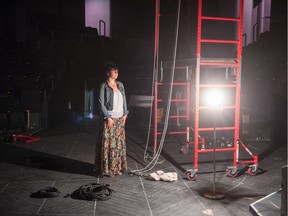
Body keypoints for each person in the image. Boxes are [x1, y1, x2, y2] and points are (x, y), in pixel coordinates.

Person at [95, 62, 129, 177]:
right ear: (108, 73)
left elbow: (124, 99)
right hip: (109, 118)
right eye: (114, 71)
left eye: (117, 71)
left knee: (118, 145)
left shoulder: (120, 85)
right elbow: (101, 103)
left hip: (120, 118)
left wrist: (125, 114)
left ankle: (116, 168)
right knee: (109, 144)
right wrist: (108, 117)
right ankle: (107, 169)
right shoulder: (103, 86)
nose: (116, 73)